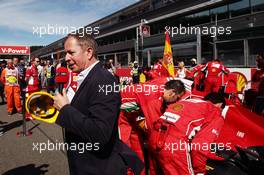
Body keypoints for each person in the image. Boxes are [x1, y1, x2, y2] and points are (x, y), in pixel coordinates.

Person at [53, 33, 143, 175]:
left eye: (71, 52)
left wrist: (65, 109)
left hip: (98, 167)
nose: (66, 58)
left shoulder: (104, 80)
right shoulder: (86, 75)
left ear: (89, 52)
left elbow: (100, 133)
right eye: (66, 53)